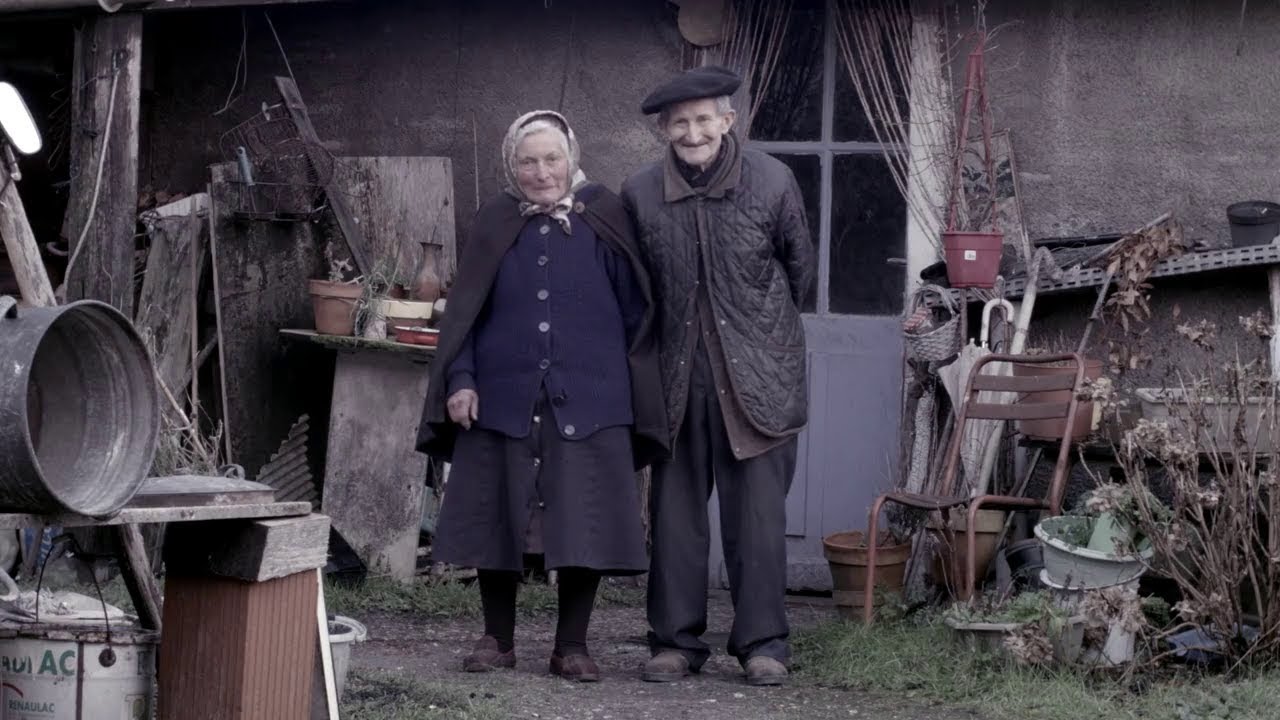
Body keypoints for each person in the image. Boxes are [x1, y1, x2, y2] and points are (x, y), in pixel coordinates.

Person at [416, 110, 667, 683]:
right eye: (528, 161)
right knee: (496, 518)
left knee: (585, 520)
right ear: (512, 164)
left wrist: (630, 394)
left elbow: (638, 313)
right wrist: (461, 380)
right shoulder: (495, 220)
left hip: (591, 398)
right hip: (503, 396)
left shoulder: (605, 215)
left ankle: (572, 646)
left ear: (572, 157)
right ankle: (496, 640)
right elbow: (466, 315)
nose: (541, 171)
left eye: (552, 158)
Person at [621, 66, 816, 687]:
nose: (693, 131)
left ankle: (763, 645)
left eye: (705, 118)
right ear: (662, 131)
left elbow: (799, 271)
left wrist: (760, 336)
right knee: (676, 520)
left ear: (728, 122)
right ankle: (675, 643)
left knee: (756, 520)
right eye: (679, 122)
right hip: (680, 379)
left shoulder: (772, 180)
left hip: (759, 377)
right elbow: (639, 291)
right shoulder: (641, 193)